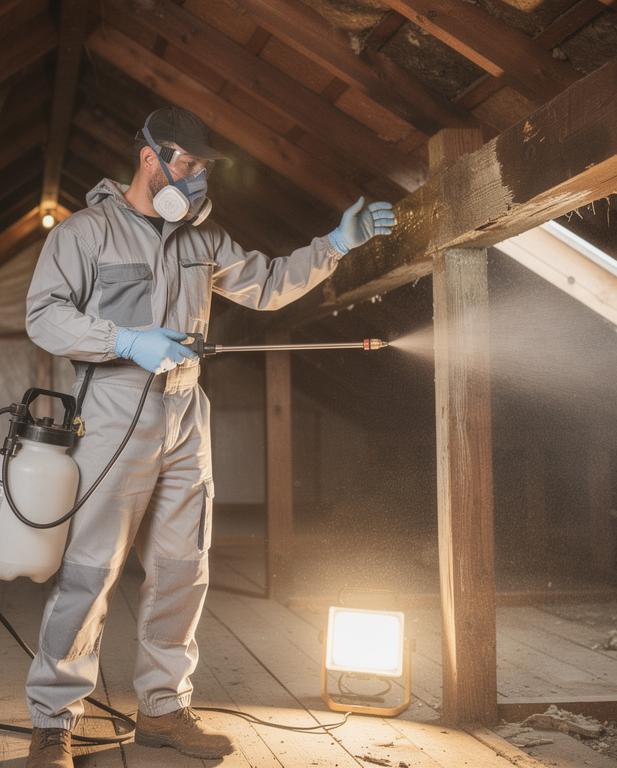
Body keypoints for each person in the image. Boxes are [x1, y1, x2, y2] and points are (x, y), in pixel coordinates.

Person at [22, 106, 395, 768]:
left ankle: (162, 709)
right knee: (88, 572)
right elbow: (45, 317)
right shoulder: (87, 233)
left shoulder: (205, 239)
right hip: (110, 411)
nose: (195, 180)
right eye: (187, 165)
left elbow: (271, 284)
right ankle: (54, 720)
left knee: (182, 569)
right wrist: (125, 340)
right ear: (149, 158)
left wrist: (335, 245)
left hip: (185, 412)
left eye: (202, 169)